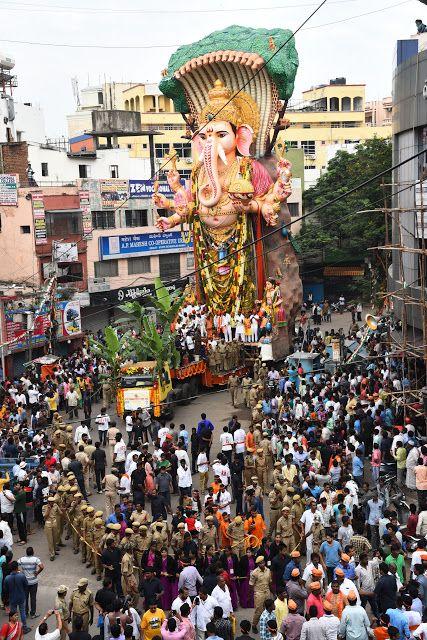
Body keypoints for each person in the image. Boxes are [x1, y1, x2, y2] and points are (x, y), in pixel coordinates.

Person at [4, 561, 31, 634]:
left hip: (12, 598)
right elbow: (26, 585)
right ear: (17, 567)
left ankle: (13, 628)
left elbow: (5, 590)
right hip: (21, 597)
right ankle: (24, 627)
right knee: (22, 612)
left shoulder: (7, 578)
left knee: (13, 613)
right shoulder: (21, 575)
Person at [18, 547, 44, 619]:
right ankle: (33, 614)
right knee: (33, 598)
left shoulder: (22, 559)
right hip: (33, 582)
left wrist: (20, 572)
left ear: (26, 552)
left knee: (25, 597)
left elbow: (15, 565)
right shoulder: (36, 559)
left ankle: (25, 613)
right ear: (33, 552)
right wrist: (37, 573)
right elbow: (42, 567)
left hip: (25, 582)